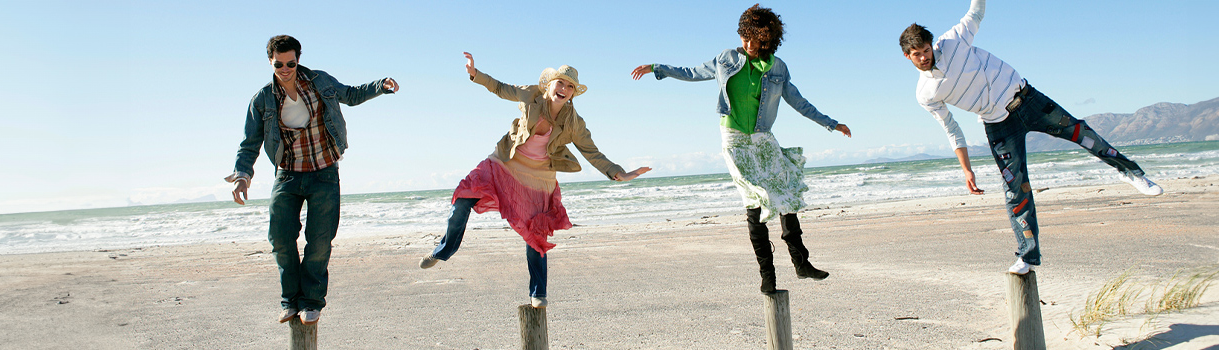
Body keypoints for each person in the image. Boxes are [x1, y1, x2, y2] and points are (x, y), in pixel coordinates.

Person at [899, 0, 1164, 275]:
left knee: (1081, 133)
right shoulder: (926, 94)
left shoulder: (953, 41)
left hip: (1029, 101)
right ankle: (1027, 256)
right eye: (917, 54)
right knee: (1016, 189)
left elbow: (976, 11)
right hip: (999, 126)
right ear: (908, 56)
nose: (924, 57)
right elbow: (951, 128)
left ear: (933, 45)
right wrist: (966, 169)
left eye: (926, 50)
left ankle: (1132, 173)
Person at [630, 4, 852, 294]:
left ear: (769, 39)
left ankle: (801, 263)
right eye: (745, 37)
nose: (749, 44)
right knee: (754, 200)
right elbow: (692, 72)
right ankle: (768, 275)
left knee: (785, 193)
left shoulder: (778, 67)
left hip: (762, 137)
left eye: (756, 39)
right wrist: (658, 68)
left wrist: (831, 123)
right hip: (734, 138)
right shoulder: (726, 58)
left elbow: (799, 102)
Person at [418, 52, 651, 308]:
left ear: (573, 93)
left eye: (570, 86)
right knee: (463, 199)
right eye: (560, 83)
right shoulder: (531, 95)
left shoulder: (574, 123)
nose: (563, 89)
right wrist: (475, 74)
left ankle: (538, 292)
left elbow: (592, 153)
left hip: (538, 177)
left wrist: (619, 172)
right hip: (505, 162)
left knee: (536, 232)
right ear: (549, 84)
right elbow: (500, 88)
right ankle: (444, 250)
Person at [226, 35, 397, 325]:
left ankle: (311, 301)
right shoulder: (262, 99)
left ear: (297, 60)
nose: (285, 69)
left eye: (290, 63)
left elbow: (351, 95)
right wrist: (243, 176)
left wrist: (380, 86)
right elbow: (250, 141)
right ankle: (290, 300)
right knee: (280, 239)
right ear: (270, 62)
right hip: (288, 175)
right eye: (279, 64)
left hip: (324, 172)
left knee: (319, 241)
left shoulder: (320, 81)